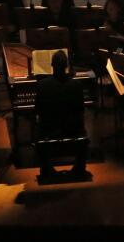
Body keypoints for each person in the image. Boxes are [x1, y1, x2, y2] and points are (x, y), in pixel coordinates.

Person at [35, 50, 90, 181]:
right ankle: (79, 168)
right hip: (73, 130)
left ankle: (46, 168)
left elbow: (38, 110)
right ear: (66, 66)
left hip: (50, 131)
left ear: (51, 65)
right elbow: (81, 110)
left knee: (39, 127)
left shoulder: (42, 86)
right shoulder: (76, 85)